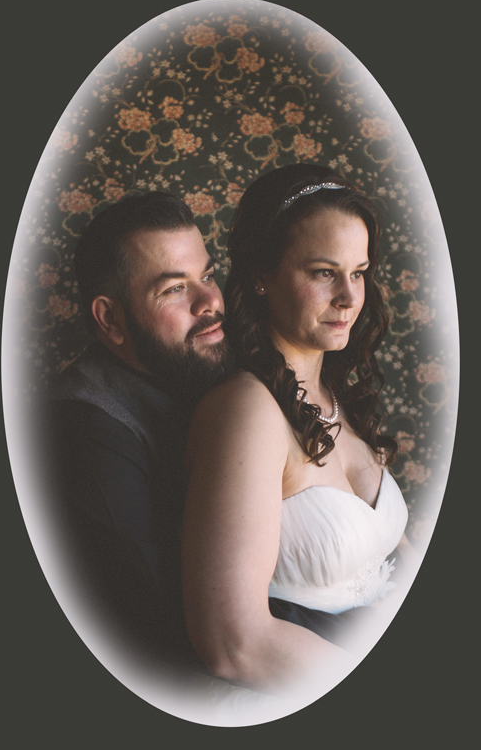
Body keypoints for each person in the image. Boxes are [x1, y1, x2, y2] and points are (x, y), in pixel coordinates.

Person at [42, 189, 365, 697]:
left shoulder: (211, 362)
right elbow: (174, 626)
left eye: (208, 274)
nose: (210, 300)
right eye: (173, 289)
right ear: (110, 319)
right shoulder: (86, 436)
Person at [182, 164, 417, 698]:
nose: (350, 298)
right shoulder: (246, 411)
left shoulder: (340, 395)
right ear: (263, 274)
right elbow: (231, 642)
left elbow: (397, 555)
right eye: (323, 272)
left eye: (358, 272)